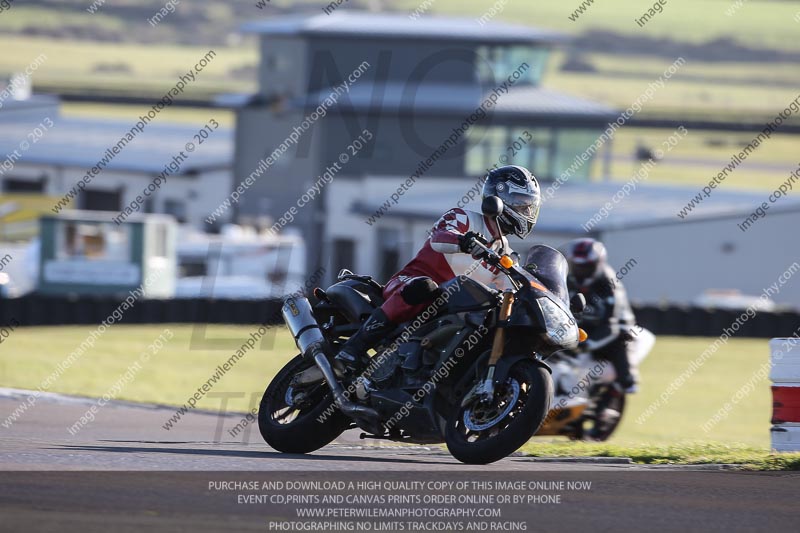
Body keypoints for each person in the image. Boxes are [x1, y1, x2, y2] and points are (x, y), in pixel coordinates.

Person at [334, 165, 542, 372]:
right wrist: (464, 241)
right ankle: (353, 347)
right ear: (499, 196)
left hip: (451, 310)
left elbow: (509, 290)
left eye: (529, 206)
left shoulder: (507, 254)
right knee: (424, 287)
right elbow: (438, 238)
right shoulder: (464, 218)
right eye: (521, 203)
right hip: (409, 283)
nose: (527, 212)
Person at [561, 238, 639, 392]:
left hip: (614, 325)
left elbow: (612, 324)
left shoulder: (609, 283)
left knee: (621, 338)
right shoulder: (568, 279)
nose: (581, 271)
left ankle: (628, 379)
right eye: (577, 266)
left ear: (598, 263)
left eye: (585, 266)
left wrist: (587, 344)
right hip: (583, 324)